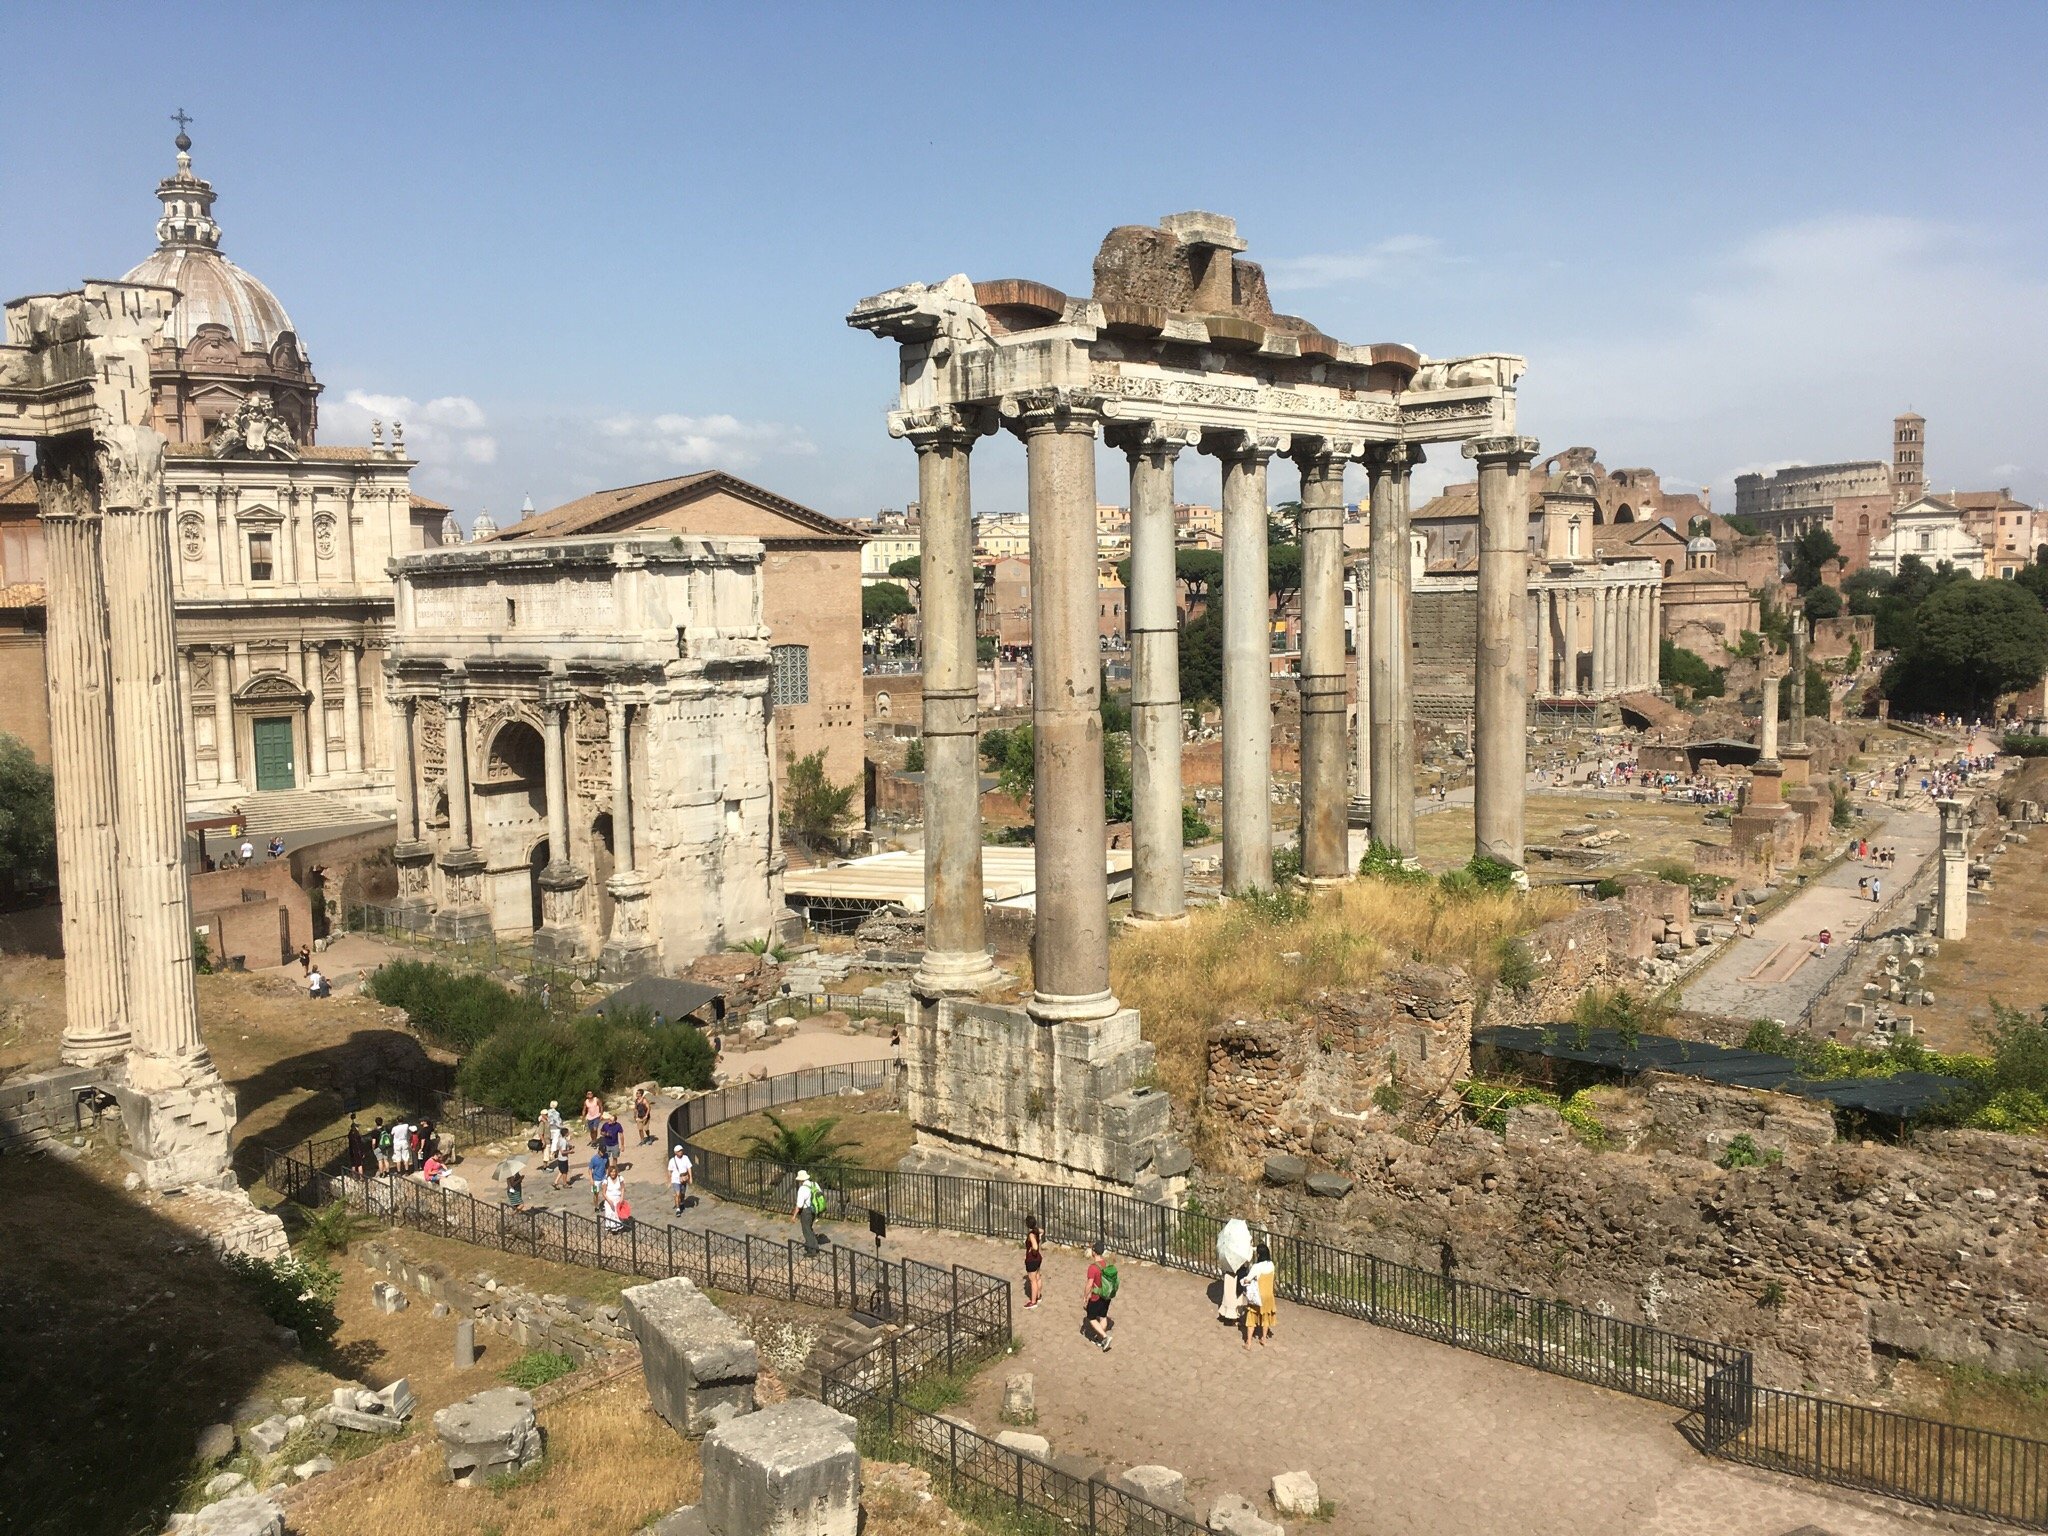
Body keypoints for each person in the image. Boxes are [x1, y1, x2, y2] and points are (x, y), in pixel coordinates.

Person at [1083, 1241, 1116, 1351]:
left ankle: (1105, 1337)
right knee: (1103, 1316)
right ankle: (1100, 1338)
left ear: (1093, 1252)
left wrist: (1085, 1296)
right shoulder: (1105, 1264)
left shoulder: (1093, 1268)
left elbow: (1089, 1284)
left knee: (1091, 1318)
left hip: (1096, 1296)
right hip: (1106, 1295)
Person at [1243, 1241, 1277, 1349]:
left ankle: (1248, 1342)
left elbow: (1248, 1279)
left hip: (1258, 1296)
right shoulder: (1271, 1265)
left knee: (1251, 1318)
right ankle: (1264, 1338)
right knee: (1265, 1317)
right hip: (1268, 1296)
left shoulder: (1256, 1267)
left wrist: (1245, 1281)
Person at [794, 1168, 824, 1255]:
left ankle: (813, 1250)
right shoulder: (814, 1184)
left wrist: (794, 1215)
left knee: (806, 1230)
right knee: (809, 1228)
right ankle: (812, 1243)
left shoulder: (802, 1189)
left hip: (806, 1211)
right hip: (814, 1209)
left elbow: (799, 1205)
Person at [1023, 1214, 1044, 1310]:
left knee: (1033, 1280)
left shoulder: (1031, 1234)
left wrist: (1032, 1251)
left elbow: (1035, 1246)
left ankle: (1033, 1301)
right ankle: (1038, 1296)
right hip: (1038, 1258)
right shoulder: (1036, 1231)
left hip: (1032, 1259)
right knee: (1038, 1277)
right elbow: (1042, 1231)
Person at [668, 1144, 693, 1213]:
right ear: (676, 1152)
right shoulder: (672, 1160)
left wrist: (690, 1177)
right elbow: (670, 1171)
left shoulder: (685, 1158)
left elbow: (689, 1168)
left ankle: (681, 1202)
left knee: (682, 1193)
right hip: (675, 1179)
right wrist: (670, 1181)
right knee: (677, 1194)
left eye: (681, 1150)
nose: (680, 1152)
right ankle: (678, 1209)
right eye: (679, 1151)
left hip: (684, 1179)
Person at [548, 1123, 573, 1189]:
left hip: (559, 1158)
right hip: (563, 1159)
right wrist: (570, 1152)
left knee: (561, 1171)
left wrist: (570, 1146)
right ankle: (565, 1184)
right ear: (566, 1134)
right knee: (565, 1171)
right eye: (568, 1132)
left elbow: (559, 1147)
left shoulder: (560, 1139)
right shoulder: (564, 1141)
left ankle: (555, 1182)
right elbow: (563, 1152)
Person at [589, 1146, 610, 1211]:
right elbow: (590, 1169)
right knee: (596, 1193)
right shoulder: (594, 1159)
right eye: (602, 1152)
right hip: (595, 1180)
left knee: (606, 1191)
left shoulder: (606, 1156)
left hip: (604, 1177)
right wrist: (591, 1179)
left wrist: (607, 1175)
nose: (603, 1154)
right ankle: (596, 1206)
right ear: (599, 1151)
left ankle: (606, 1204)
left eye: (604, 1152)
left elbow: (607, 1166)